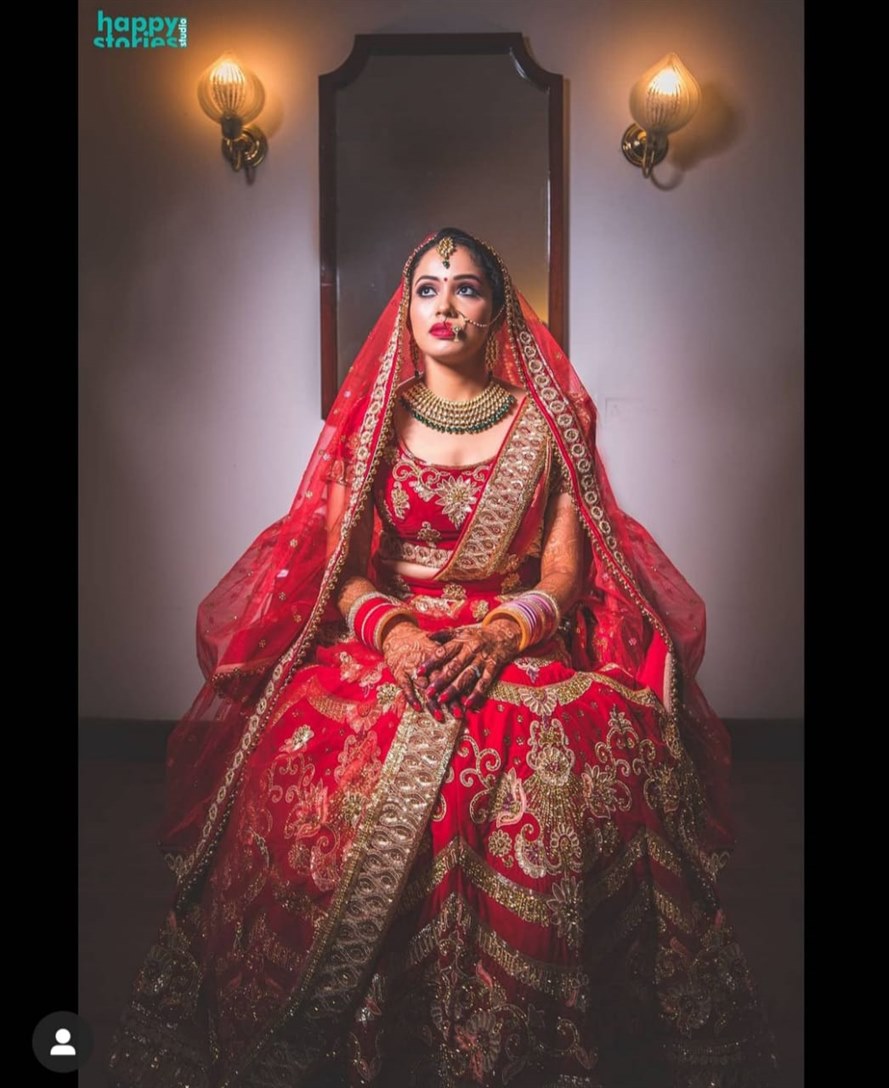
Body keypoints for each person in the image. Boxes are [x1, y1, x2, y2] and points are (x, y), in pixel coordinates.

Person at [109, 229, 777, 1087]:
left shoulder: (548, 425)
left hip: (513, 631)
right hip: (387, 637)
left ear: (497, 312)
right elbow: (346, 573)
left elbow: (565, 575)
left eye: (466, 289)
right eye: (427, 288)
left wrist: (499, 634)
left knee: (563, 762)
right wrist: (397, 637)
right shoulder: (370, 423)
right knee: (322, 764)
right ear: (406, 309)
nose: (445, 306)